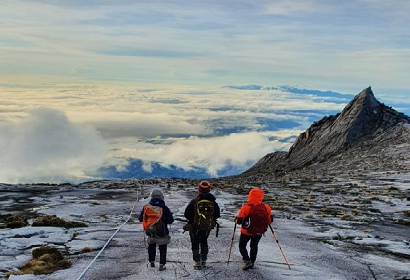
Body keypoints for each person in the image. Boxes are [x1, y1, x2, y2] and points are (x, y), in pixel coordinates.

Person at [184, 181, 220, 269]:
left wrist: (192, 219)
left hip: (195, 226)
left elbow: (186, 214)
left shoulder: (194, 201)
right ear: (209, 190)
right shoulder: (213, 202)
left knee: (195, 242)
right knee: (204, 241)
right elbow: (217, 214)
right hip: (207, 227)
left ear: (199, 190)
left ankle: (197, 262)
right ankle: (203, 259)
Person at [235, 188, 272, 270]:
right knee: (254, 246)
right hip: (259, 231)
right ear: (261, 196)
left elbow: (239, 221)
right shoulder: (266, 207)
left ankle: (247, 260)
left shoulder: (246, 207)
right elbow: (270, 221)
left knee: (242, 245)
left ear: (250, 196)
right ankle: (252, 262)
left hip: (246, 231)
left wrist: (236, 220)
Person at [138, 188, 174, 271]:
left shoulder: (146, 207)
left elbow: (140, 218)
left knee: (151, 246)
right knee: (162, 247)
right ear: (161, 196)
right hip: (162, 233)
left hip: (150, 232)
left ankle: (151, 262)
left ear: (151, 196)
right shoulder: (164, 207)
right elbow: (170, 220)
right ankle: (162, 264)